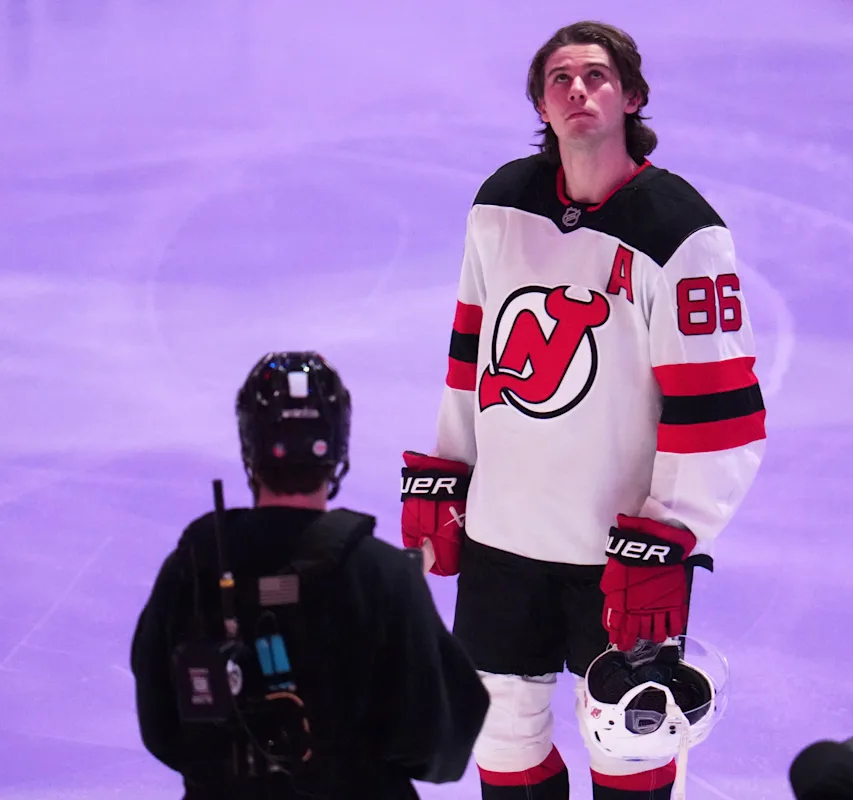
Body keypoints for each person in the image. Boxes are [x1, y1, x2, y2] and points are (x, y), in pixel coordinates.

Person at [399, 20, 766, 800]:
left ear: (632, 96)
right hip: (502, 538)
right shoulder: (501, 204)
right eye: (560, 79)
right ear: (541, 103)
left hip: (620, 555)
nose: (577, 90)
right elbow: (471, 356)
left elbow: (722, 413)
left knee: (627, 742)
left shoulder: (682, 230)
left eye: (596, 75)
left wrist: (672, 533)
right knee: (499, 735)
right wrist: (447, 469)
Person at [131, 351, 489, 800]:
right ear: (336, 446)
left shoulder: (192, 568)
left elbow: (160, 725)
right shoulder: (383, 575)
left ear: (250, 444)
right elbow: (442, 741)